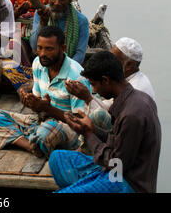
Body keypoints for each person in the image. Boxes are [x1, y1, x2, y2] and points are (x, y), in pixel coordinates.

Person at [50, 51, 161, 193]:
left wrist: (89, 134)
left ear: (106, 81)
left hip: (127, 182)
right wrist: (92, 128)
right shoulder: (133, 99)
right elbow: (118, 140)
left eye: (94, 85)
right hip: (118, 168)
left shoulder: (131, 114)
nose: (94, 91)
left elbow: (117, 163)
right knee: (57, 159)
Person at [0, 26, 91, 157]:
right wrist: (29, 101)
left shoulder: (76, 76)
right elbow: (38, 106)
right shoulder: (38, 64)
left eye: (49, 49)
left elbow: (80, 123)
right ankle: (31, 146)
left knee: (46, 132)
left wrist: (49, 109)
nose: (43, 53)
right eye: (39, 48)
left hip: (67, 127)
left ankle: (33, 139)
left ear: (62, 49)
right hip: (41, 119)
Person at [65, 37, 156, 132]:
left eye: (114, 58)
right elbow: (109, 107)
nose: (109, 62)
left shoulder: (137, 88)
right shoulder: (124, 81)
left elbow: (109, 117)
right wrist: (87, 97)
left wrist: (88, 98)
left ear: (129, 65)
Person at [29, 0, 89, 64]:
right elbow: (34, 46)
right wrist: (43, 23)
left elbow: (80, 53)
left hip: (69, 68)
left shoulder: (81, 21)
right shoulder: (41, 14)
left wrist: (64, 69)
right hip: (44, 64)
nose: (57, 3)